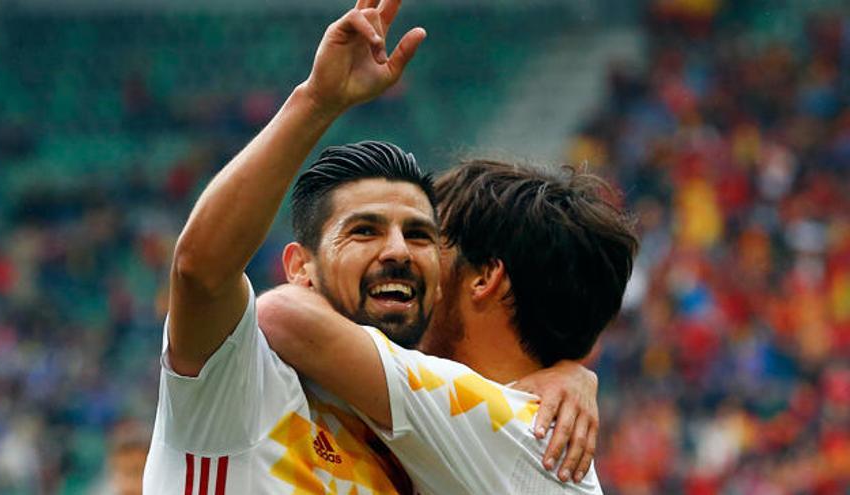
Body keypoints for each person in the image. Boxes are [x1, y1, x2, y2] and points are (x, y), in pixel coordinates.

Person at [144, 1, 599, 493]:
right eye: (365, 230)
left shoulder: (428, 449)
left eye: (420, 235)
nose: (399, 250)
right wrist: (316, 101)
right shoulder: (243, 378)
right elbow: (199, 271)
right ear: (301, 268)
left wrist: (567, 375)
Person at [257, 160, 637, 494]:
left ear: (484, 278)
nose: (407, 259)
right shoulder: (526, 430)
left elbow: (281, 314)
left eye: (428, 240)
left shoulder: (494, 420)